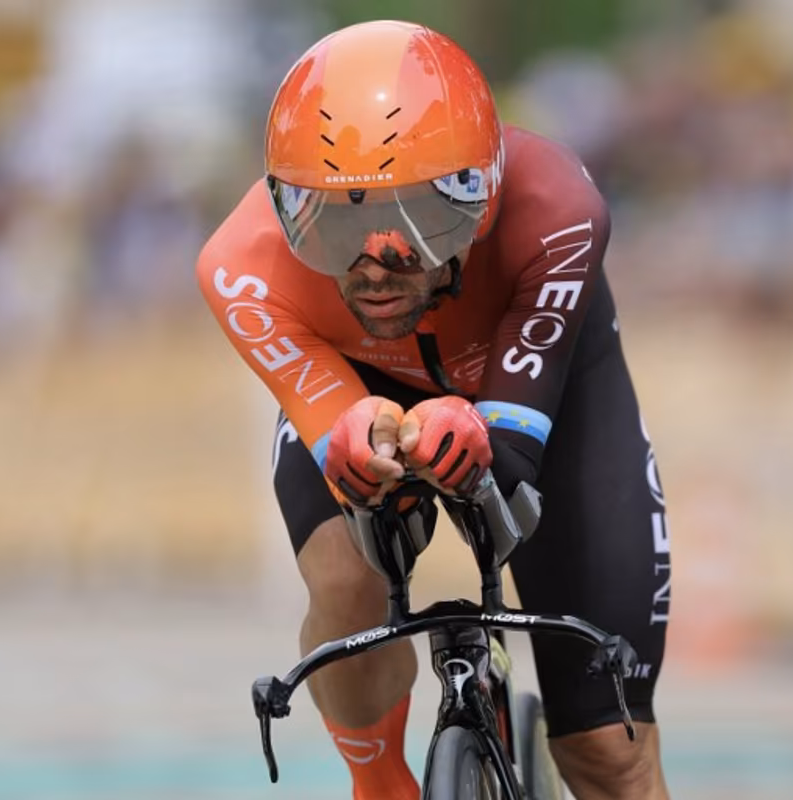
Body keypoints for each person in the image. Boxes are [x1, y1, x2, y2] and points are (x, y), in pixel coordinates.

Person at [197, 19, 672, 800]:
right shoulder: (239, 266)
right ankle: (379, 782)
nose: (378, 261)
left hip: (539, 384)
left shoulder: (557, 207)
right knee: (347, 580)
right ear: (285, 211)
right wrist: (353, 432)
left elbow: (514, 458)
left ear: (479, 194)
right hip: (358, 381)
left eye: (421, 219)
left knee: (608, 757)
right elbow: (340, 431)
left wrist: (487, 432)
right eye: (334, 222)